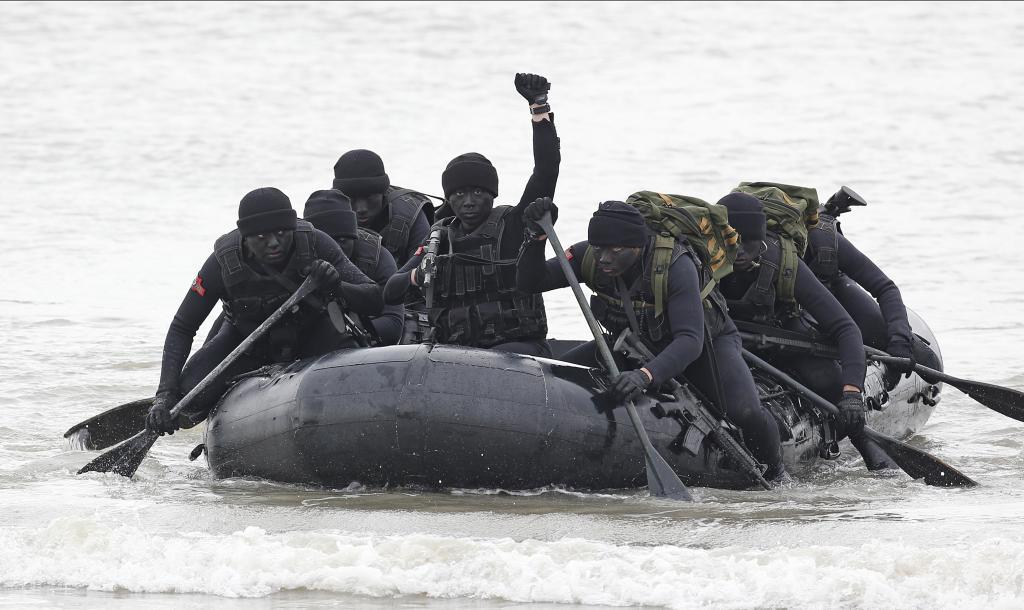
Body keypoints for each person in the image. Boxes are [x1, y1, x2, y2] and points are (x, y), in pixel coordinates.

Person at [516, 198, 789, 483]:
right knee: (555, 378)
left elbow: (690, 340)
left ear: (636, 246)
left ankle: (778, 476)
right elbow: (530, 282)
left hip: (704, 348)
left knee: (745, 411)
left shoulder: (674, 264)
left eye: (616, 251)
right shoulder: (589, 257)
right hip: (633, 346)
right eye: (599, 249)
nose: (605, 258)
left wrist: (644, 377)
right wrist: (536, 238)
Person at [145, 187, 383, 435]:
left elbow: (374, 299)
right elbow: (183, 327)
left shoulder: (315, 243)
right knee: (188, 400)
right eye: (261, 237)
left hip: (312, 333)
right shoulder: (222, 263)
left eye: (282, 233)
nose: (273, 243)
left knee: (357, 379)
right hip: (247, 342)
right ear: (245, 237)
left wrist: (336, 285)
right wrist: (165, 394)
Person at [383, 73, 560, 356]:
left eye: (477, 193)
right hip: (458, 351)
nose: (467, 202)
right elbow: (391, 290)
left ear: (492, 195)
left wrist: (539, 108)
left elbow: (547, 170)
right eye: (459, 194)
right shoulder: (440, 236)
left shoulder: (512, 224)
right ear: (449, 197)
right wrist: (420, 275)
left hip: (518, 350)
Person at [716, 192, 896, 470]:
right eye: (732, 242)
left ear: (761, 240)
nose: (739, 252)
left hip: (782, 336)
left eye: (748, 243)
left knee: (824, 377)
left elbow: (846, 328)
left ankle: (864, 442)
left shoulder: (783, 262)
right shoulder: (702, 259)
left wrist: (851, 393)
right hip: (725, 341)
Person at [805, 186, 941, 388]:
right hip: (793, 306)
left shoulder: (823, 240)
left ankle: (906, 339)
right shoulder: (755, 252)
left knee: (931, 368)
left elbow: (885, 287)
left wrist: (899, 339)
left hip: (830, 285)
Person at [303, 189, 404, 345]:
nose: (335, 248)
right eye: (327, 242)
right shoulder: (297, 256)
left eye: (342, 240)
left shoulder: (377, 256)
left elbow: (393, 324)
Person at [332, 149, 434, 268]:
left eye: (369, 197)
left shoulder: (409, 215)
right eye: (351, 200)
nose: (361, 209)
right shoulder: (326, 212)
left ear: (382, 192)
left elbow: (421, 268)